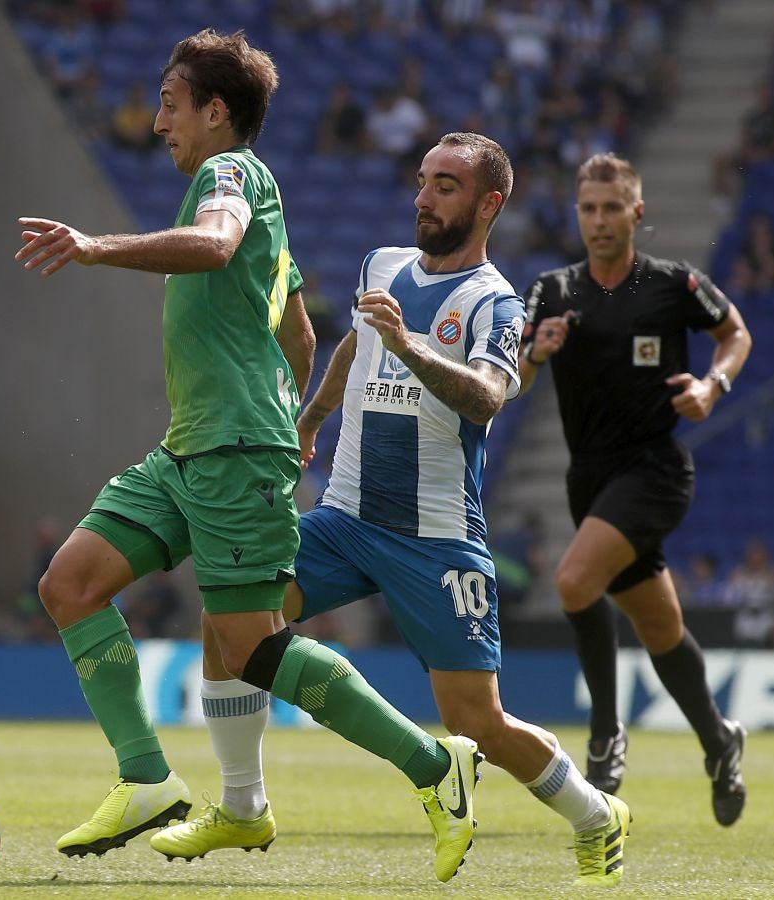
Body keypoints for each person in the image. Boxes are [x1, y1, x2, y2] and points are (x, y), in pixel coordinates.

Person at [13, 30, 482, 883]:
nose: (159, 122)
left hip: (231, 449)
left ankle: (432, 764)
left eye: (169, 103)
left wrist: (94, 246)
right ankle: (147, 778)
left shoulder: (227, 178)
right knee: (70, 584)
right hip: (197, 445)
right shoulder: (264, 199)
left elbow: (217, 243)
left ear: (215, 110)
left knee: (251, 647)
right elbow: (299, 328)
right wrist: (293, 420)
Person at [151, 133, 630, 888]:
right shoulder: (382, 265)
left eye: (446, 186)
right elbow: (353, 347)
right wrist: (311, 419)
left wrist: (408, 345)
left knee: (478, 723)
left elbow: (488, 395)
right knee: (229, 622)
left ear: (488, 204)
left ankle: (596, 814)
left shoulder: (493, 303)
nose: (424, 197)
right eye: (423, 181)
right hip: (345, 520)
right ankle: (243, 804)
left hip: (435, 540)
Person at [518, 153, 753, 826]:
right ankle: (719, 739)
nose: (598, 220)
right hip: (587, 478)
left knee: (571, 582)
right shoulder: (552, 293)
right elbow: (515, 380)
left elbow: (735, 332)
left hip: (654, 471)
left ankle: (604, 731)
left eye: (611, 208)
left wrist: (714, 384)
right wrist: (536, 353)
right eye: (587, 208)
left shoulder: (674, 285)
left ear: (636, 213)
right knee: (659, 627)